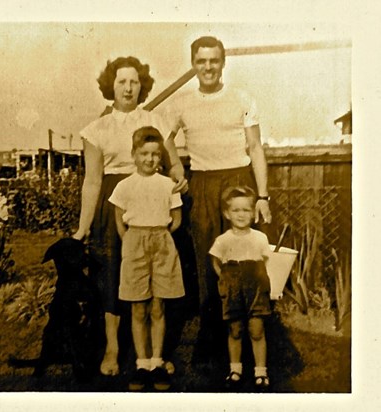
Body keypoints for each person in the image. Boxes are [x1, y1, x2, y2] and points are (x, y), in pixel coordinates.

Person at [73, 57, 186, 376]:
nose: (128, 87)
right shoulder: (95, 129)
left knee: (155, 274)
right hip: (114, 202)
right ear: (111, 85)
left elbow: (174, 163)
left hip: (153, 199)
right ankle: (112, 348)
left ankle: (154, 351)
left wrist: (178, 175)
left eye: (134, 81)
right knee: (111, 275)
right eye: (121, 81)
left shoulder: (157, 120)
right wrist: (84, 226)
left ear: (142, 86)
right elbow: (92, 180)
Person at [165, 36, 272, 363]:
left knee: (245, 261)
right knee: (207, 262)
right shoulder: (181, 103)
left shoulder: (241, 97)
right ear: (194, 64)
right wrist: (174, 168)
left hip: (238, 181)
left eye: (213, 60)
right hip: (203, 185)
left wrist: (263, 195)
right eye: (201, 61)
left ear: (222, 62)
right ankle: (211, 341)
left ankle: (251, 338)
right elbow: (166, 139)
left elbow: (255, 148)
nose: (208, 67)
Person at [109, 126, 185, 391]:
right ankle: (141, 364)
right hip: (134, 243)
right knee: (138, 306)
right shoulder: (124, 186)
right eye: (144, 153)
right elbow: (119, 221)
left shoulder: (168, 185)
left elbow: (176, 220)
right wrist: (132, 241)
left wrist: (158, 234)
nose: (150, 159)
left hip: (162, 242)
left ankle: (157, 362)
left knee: (158, 305)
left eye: (155, 154)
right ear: (134, 154)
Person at [209, 186, 272, 389]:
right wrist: (225, 280)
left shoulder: (259, 238)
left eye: (246, 210)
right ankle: (235, 369)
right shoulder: (223, 240)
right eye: (236, 210)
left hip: (255, 289)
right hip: (233, 289)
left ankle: (261, 372)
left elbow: (267, 262)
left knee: (256, 328)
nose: (241, 215)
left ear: (253, 213)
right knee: (235, 329)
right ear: (227, 213)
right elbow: (216, 262)